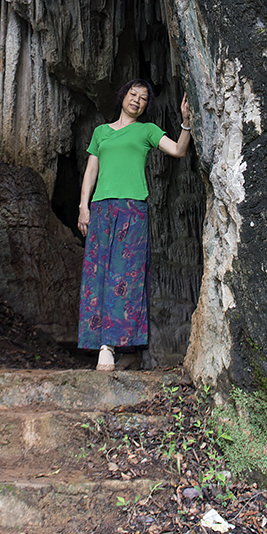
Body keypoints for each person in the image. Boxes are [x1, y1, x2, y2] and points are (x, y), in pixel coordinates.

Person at [77, 79, 192, 372]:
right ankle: (122, 349)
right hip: (101, 209)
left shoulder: (147, 130)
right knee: (99, 275)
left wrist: (187, 123)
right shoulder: (101, 132)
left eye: (143, 98)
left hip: (132, 210)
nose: (137, 100)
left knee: (126, 277)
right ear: (123, 96)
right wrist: (83, 207)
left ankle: (110, 346)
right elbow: (92, 169)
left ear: (146, 106)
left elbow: (178, 150)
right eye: (133, 94)